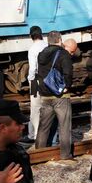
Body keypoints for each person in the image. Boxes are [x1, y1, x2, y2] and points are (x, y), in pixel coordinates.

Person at [35, 31, 74, 160]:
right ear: (60, 39)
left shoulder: (41, 54)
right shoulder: (63, 54)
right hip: (60, 96)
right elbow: (68, 73)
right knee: (64, 126)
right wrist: (66, 87)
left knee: (43, 127)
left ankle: (38, 154)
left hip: (45, 95)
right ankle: (65, 155)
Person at [25, 26, 47, 143]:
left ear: (31, 36)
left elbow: (33, 68)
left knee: (35, 107)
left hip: (35, 81)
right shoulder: (46, 45)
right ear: (41, 34)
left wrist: (30, 79)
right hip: (47, 80)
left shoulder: (32, 48)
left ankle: (33, 134)